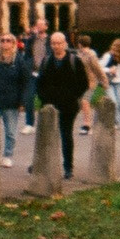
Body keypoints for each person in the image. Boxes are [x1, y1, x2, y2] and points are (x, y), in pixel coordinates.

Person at [36, 31, 88, 179]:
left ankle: (68, 167)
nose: (56, 46)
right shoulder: (47, 61)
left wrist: (73, 96)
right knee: (47, 135)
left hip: (68, 105)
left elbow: (83, 82)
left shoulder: (74, 61)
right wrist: (44, 98)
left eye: (59, 43)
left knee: (66, 135)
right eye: (53, 43)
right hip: (50, 104)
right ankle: (42, 164)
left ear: (65, 44)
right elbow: (40, 82)